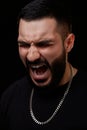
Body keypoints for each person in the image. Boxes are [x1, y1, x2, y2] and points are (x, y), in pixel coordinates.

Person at [0, 0, 87, 129]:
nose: (31, 56)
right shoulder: (10, 97)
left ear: (68, 43)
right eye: (24, 45)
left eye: (44, 44)